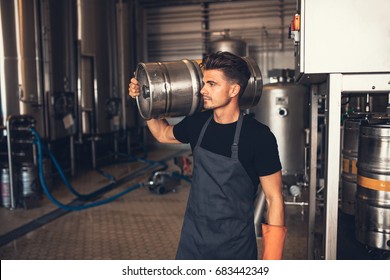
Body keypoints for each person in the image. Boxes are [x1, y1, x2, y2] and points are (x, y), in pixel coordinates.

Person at [129, 51, 286, 260]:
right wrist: (144, 97)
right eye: (204, 83)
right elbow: (162, 134)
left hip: (234, 247)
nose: (202, 90)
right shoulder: (198, 123)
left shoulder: (259, 137)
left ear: (233, 90)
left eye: (212, 84)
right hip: (193, 241)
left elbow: (274, 198)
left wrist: (271, 262)